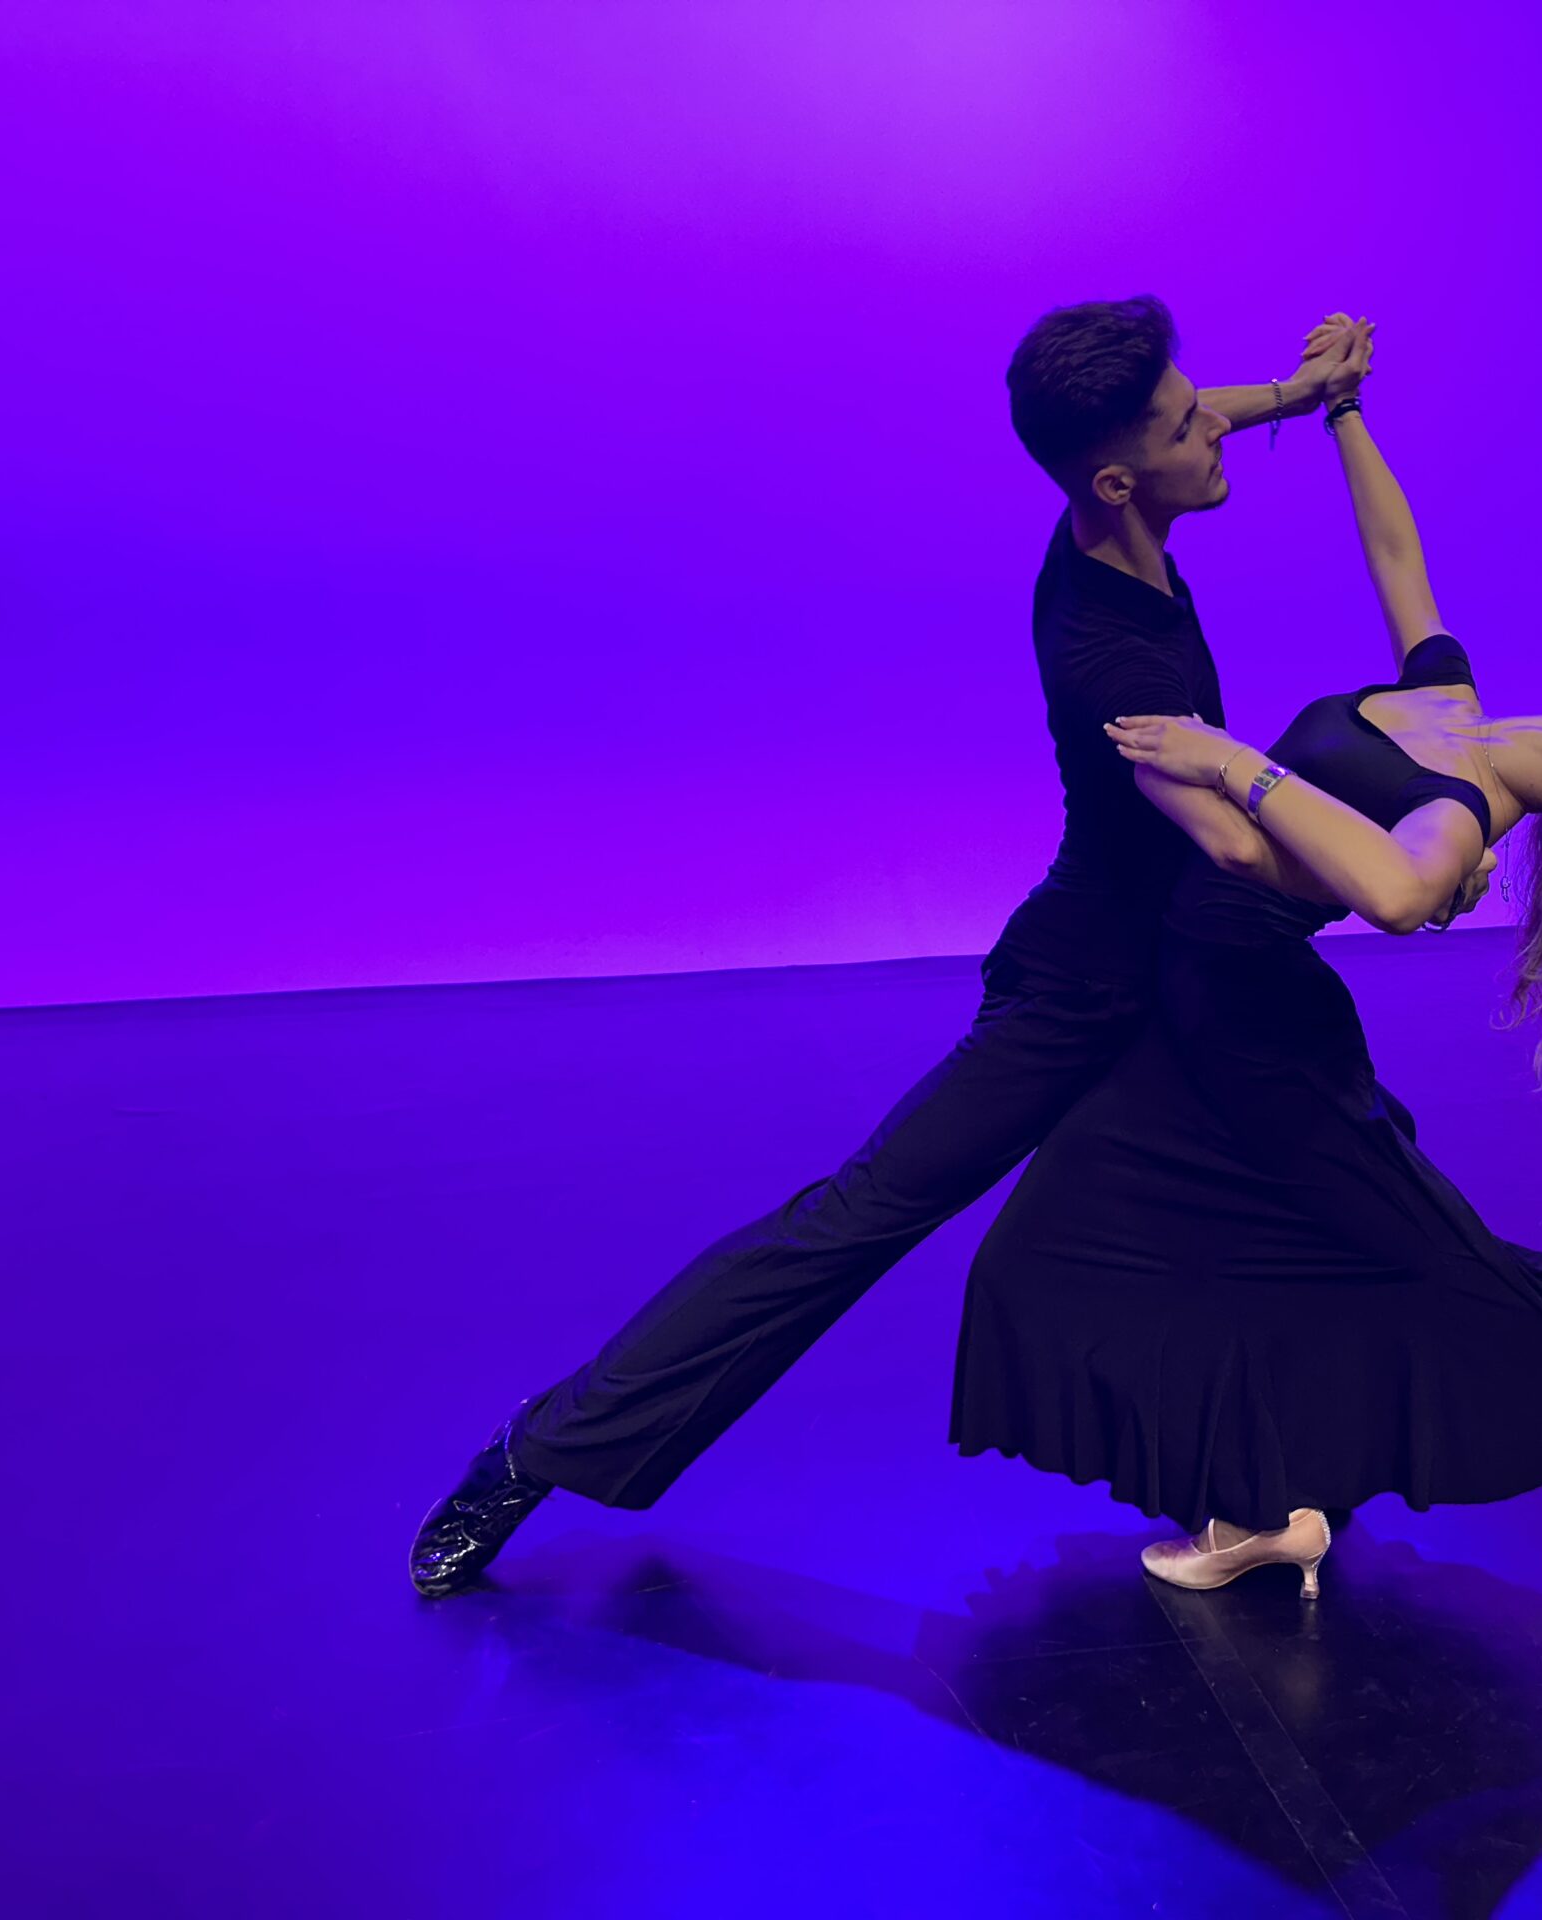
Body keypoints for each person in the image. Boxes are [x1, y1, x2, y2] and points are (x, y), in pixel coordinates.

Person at [410, 296, 1385, 1596]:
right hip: (1086, 992)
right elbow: (1245, 853)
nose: (1213, 424)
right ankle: (534, 1449)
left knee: (1328, 1175)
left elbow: (1206, 414)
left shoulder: (1121, 509)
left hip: (1187, 967)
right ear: (1115, 478)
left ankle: (1275, 1480)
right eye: (1181, 423)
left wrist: (1306, 392)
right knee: (857, 1221)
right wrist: (1393, 861)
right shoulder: (1111, 659)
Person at [949, 357, 1542, 1602]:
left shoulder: (1460, 810)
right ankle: (1261, 1509)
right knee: (1088, 1249)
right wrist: (1339, 411)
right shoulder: (1448, 702)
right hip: (1202, 1022)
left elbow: (1393, 896)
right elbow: (1398, 558)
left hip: (1255, 1041)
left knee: (1467, 1277)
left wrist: (1231, 763)